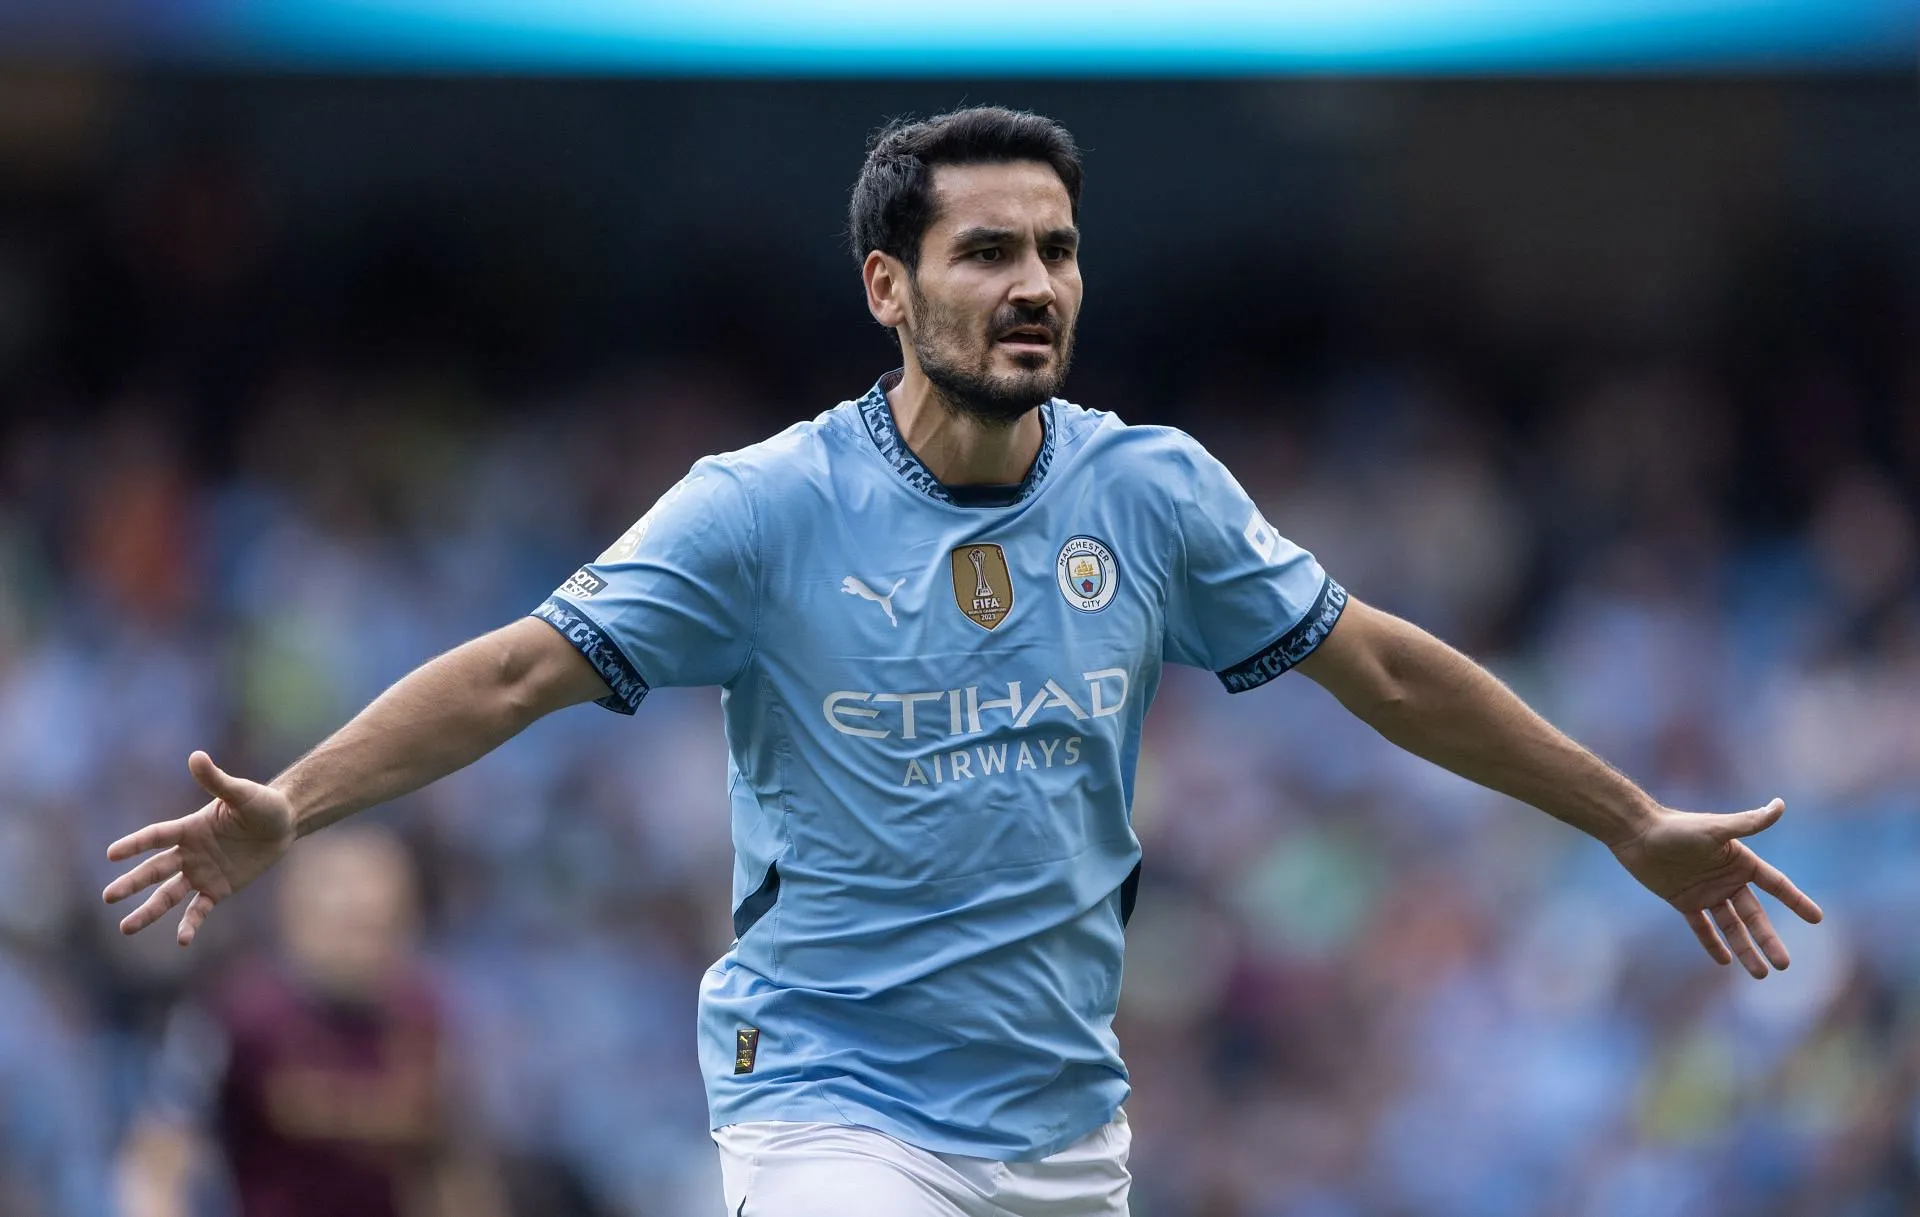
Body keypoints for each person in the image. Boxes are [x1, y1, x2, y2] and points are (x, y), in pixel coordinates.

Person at [103, 106, 1823, 1217]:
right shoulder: (761, 510)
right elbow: (509, 675)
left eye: (1058, 250)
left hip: (1064, 1120)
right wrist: (296, 807)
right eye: (988, 250)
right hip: (828, 1098)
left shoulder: (1151, 494)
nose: (1035, 284)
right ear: (886, 284)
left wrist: (1622, 818)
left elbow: (1379, 667)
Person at [116, 826, 505, 1217]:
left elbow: (456, 1170)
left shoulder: (428, 1020)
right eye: (350, 924)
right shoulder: (236, 1017)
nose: (366, 944)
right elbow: (157, 1164)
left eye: (381, 925)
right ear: (297, 915)